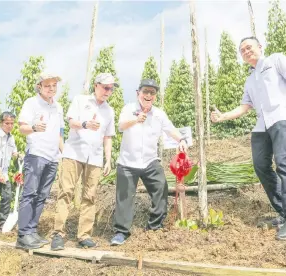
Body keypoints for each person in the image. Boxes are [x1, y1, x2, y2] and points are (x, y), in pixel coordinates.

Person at [211, 36, 286, 240]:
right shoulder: (249, 79)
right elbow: (245, 106)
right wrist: (223, 116)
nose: (246, 51)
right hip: (262, 124)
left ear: (260, 47)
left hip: (281, 117)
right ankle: (283, 211)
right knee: (260, 166)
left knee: (284, 164)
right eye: (242, 50)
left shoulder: (276, 60)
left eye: (249, 47)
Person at [110, 79, 188, 246]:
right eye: (145, 91)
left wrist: (181, 139)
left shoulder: (159, 114)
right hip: (128, 162)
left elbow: (170, 129)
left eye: (152, 93)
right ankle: (121, 232)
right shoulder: (128, 109)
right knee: (124, 197)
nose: (148, 95)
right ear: (138, 93)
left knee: (161, 187)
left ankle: (154, 227)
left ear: (155, 96)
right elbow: (121, 126)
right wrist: (136, 120)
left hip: (150, 161)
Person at [50, 73, 117, 251]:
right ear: (96, 86)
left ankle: (84, 235)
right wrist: (85, 124)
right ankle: (58, 234)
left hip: (95, 157)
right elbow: (71, 122)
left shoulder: (109, 111)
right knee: (66, 192)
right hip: (74, 153)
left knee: (90, 196)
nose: (108, 91)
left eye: (111, 88)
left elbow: (108, 137)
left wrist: (108, 159)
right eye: (105, 87)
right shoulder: (80, 100)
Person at [16, 72, 65, 250]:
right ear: (40, 86)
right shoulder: (31, 103)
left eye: (54, 85)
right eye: (47, 85)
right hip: (36, 154)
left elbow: (60, 133)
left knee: (43, 195)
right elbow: (22, 128)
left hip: (53, 157)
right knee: (30, 193)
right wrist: (34, 128)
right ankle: (23, 235)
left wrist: (63, 152)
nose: (51, 88)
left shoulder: (58, 107)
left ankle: (32, 231)